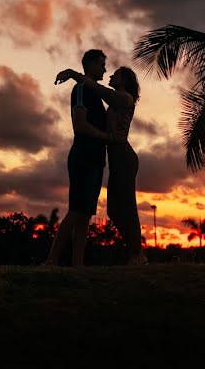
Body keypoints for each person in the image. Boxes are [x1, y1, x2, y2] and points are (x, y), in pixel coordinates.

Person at [55, 64, 147, 265]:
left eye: (116, 74)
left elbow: (100, 90)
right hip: (115, 157)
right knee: (113, 210)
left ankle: (137, 254)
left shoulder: (125, 98)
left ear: (124, 80)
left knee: (128, 207)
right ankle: (135, 249)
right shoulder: (115, 101)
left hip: (123, 156)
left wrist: (73, 74)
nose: (111, 75)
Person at [45, 49, 110, 267]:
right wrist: (105, 136)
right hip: (84, 156)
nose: (104, 69)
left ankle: (77, 264)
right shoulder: (81, 89)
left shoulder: (95, 91)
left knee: (84, 216)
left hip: (96, 159)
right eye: (101, 64)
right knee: (76, 210)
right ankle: (52, 260)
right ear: (90, 64)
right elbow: (79, 124)